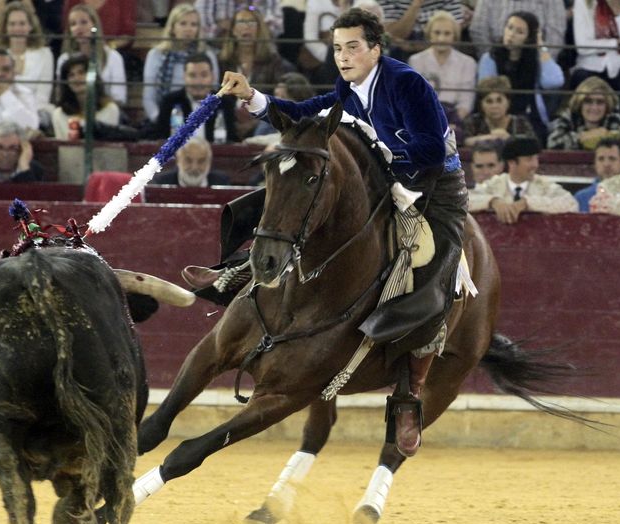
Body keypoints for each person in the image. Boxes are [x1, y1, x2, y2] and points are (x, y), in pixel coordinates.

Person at [214, 8, 469, 457]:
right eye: (337, 48)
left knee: (434, 270)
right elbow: (301, 115)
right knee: (295, 201)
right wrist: (251, 95)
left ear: (375, 48)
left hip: (436, 187)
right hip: (385, 178)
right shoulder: (346, 89)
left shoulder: (406, 83)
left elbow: (429, 148)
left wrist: (383, 156)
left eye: (353, 47)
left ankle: (410, 393)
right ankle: (235, 270)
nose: (344, 56)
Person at [476, 11, 565, 141]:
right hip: (498, 116)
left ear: (529, 38)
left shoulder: (535, 58)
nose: (511, 34)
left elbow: (554, 81)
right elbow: (486, 92)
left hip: (530, 116)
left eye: (520, 32)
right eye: (509, 27)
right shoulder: (490, 58)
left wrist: (541, 46)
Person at [217, 6, 294, 139]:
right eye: (241, 22)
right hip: (226, 122)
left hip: (262, 124)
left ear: (259, 30)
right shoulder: (222, 62)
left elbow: (281, 102)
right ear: (233, 30)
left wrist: (254, 123)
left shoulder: (274, 63)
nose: (246, 27)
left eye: (252, 23)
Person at [469, 134, 578, 223]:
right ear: (512, 162)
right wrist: (492, 201)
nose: (535, 165)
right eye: (529, 159)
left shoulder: (544, 185)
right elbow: (459, 202)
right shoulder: (494, 184)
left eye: (536, 159)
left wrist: (528, 203)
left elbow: (571, 204)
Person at [142, 3, 219, 124]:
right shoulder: (156, 55)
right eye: (183, 24)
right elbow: (148, 97)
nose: (188, 29)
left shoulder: (207, 55)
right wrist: (161, 121)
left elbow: (213, 92)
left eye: (194, 24)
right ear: (172, 27)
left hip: (200, 119)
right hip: (164, 118)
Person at [0, 1, 54, 129]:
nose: (17, 28)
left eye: (22, 23)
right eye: (12, 24)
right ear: (5, 27)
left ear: (30, 26)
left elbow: (43, 97)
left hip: (34, 113)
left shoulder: (45, 54)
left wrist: (23, 113)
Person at [153, 52, 239, 143]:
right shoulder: (169, 101)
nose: (198, 81)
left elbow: (230, 140)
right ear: (184, 77)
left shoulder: (225, 102)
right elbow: (160, 139)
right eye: (192, 75)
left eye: (204, 75)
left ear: (212, 77)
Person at [408, 10, 476, 119]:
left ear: (454, 36)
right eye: (437, 33)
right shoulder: (415, 61)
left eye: (447, 33)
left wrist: (453, 122)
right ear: (429, 34)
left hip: (454, 117)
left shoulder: (468, 63)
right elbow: (413, 98)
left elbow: (466, 101)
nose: (441, 39)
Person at [56, 4, 128, 106]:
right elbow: (61, 96)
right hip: (73, 112)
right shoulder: (64, 60)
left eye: (84, 22)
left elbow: (119, 97)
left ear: (94, 25)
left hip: (106, 110)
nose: (78, 28)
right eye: (73, 24)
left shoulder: (113, 57)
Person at [51, 54, 121, 140]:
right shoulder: (59, 114)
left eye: (81, 73)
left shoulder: (110, 109)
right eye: (71, 75)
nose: (77, 78)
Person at [546, 77, 620, 151]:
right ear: (580, 103)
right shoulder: (568, 118)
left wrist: (605, 136)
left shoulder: (614, 119)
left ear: (607, 105)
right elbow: (552, 143)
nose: (594, 107)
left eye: (600, 102)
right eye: (588, 101)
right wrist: (582, 138)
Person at [470, 0, 566, 57]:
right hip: (496, 58)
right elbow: (478, 30)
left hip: (536, 61)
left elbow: (555, 36)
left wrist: (542, 61)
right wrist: (493, 59)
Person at [461, 76, 536, 147]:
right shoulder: (473, 121)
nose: (494, 106)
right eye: (489, 101)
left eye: (499, 101)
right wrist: (492, 137)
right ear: (481, 104)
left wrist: (509, 138)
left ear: (508, 102)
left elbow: (533, 144)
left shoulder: (520, 122)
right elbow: (464, 141)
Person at [571, 0, 620, 94]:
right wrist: (616, 43)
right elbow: (582, 47)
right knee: (583, 79)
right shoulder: (582, 2)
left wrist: (619, 13)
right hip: (590, 66)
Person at [152, 137, 231, 186]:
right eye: (188, 160)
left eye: (201, 161)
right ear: (178, 161)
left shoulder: (221, 183)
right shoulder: (162, 183)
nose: (194, 167)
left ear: (209, 162)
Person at [574, 137, 620, 212]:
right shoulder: (581, 198)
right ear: (595, 164)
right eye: (601, 159)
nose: (606, 164)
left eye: (612, 158)